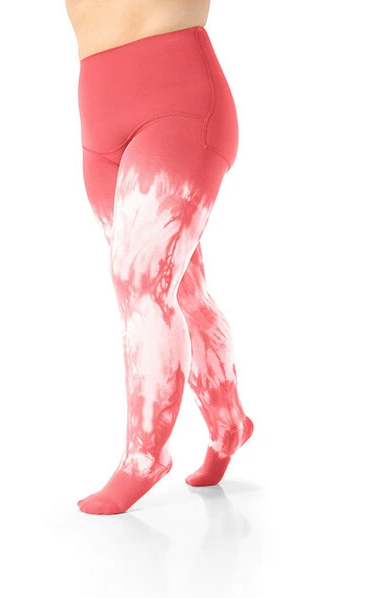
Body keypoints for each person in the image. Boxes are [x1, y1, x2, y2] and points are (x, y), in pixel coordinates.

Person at [65, 0, 254, 515]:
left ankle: (146, 456)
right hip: (98, 115)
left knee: (142, 283)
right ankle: (229, 421)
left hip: (178, 102)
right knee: (182, 288)